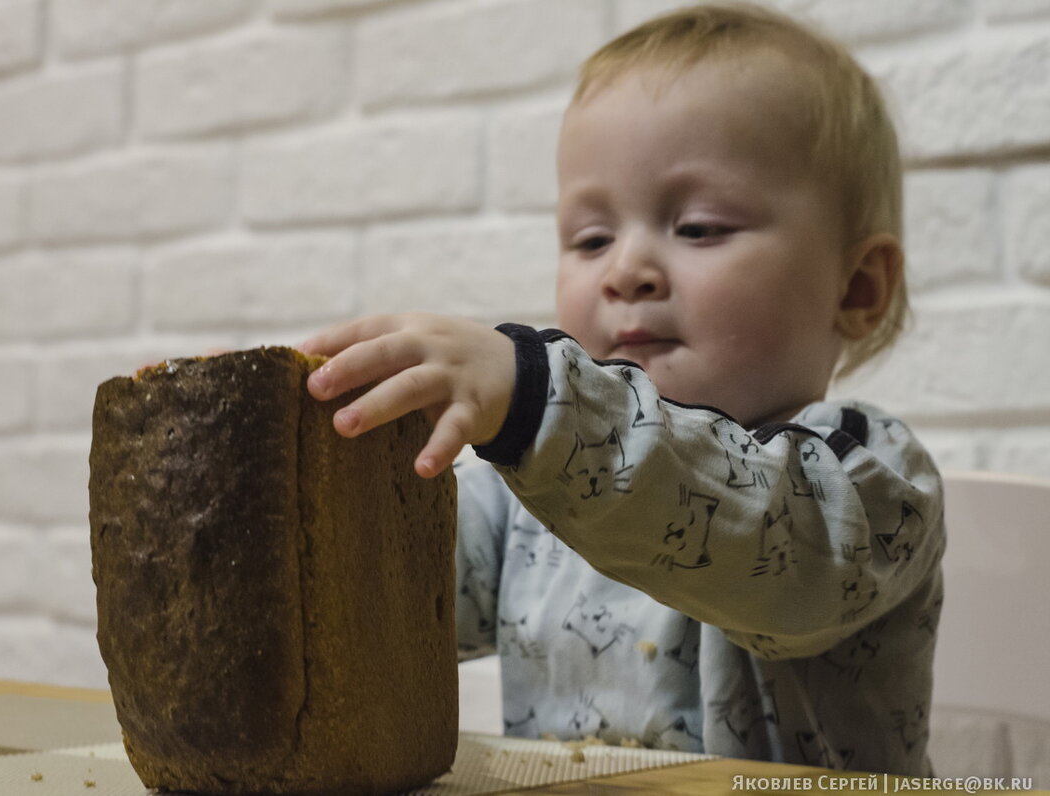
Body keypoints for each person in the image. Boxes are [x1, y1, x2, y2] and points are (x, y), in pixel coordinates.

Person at [299, 3, 943, 776]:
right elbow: (374, 606)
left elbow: (774, 554)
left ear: (858, 286)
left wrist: (538, 400)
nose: (625, 269)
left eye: (699, 227)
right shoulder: (523, 498)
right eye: (592, 238)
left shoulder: (873, 480)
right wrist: (303, 492)